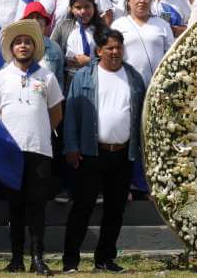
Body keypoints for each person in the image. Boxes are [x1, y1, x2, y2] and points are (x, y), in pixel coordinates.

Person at [61, 28, 146, 274]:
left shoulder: (134, 76)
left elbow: (142, 114)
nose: (115, 52)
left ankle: (105, 259)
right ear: (99, 51)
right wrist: (71, 146)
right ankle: (70, 261)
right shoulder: (84, 76)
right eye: (110, 48)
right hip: (91, 153)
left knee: (115, 210)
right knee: (82, 207)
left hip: (123, 153)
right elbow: (71, 114)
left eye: (118, 47)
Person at [0, 19, 63, 275]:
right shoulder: (0, 77)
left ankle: (38, 258)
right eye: (18, 42)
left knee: (37, 206)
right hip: (12, 152)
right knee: (15, 206)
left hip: (40, 150)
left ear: (34, 46)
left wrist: (38, 130)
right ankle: (16, 259)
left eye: (28, 42)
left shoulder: (47, 76)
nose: (23, 45)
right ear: (12, 48)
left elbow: (56, 113)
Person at [111, 0, 174, 87]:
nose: (142, 0)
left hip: (157, 86)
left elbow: (171, 55)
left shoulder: (162, 24)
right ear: (128, 1)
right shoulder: (118, 25)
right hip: (127, 84)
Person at [51, 0, 108, 87]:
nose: (83, 11)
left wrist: (89, 61)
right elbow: (51, 51)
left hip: (96, 78)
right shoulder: (62, 27)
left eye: (87, 6)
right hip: (69, 80)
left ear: (94, 7)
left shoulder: (102, 29)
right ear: (71, 9)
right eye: (78, 7)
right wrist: (65, 60)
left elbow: (108, 58)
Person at [21, 2, 65, 93]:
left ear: (45, 22)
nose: (35, 21)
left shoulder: (55, 48)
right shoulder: (17, 47)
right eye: (31, 17)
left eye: (38, 17)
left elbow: (59, 78)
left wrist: (56, 98)